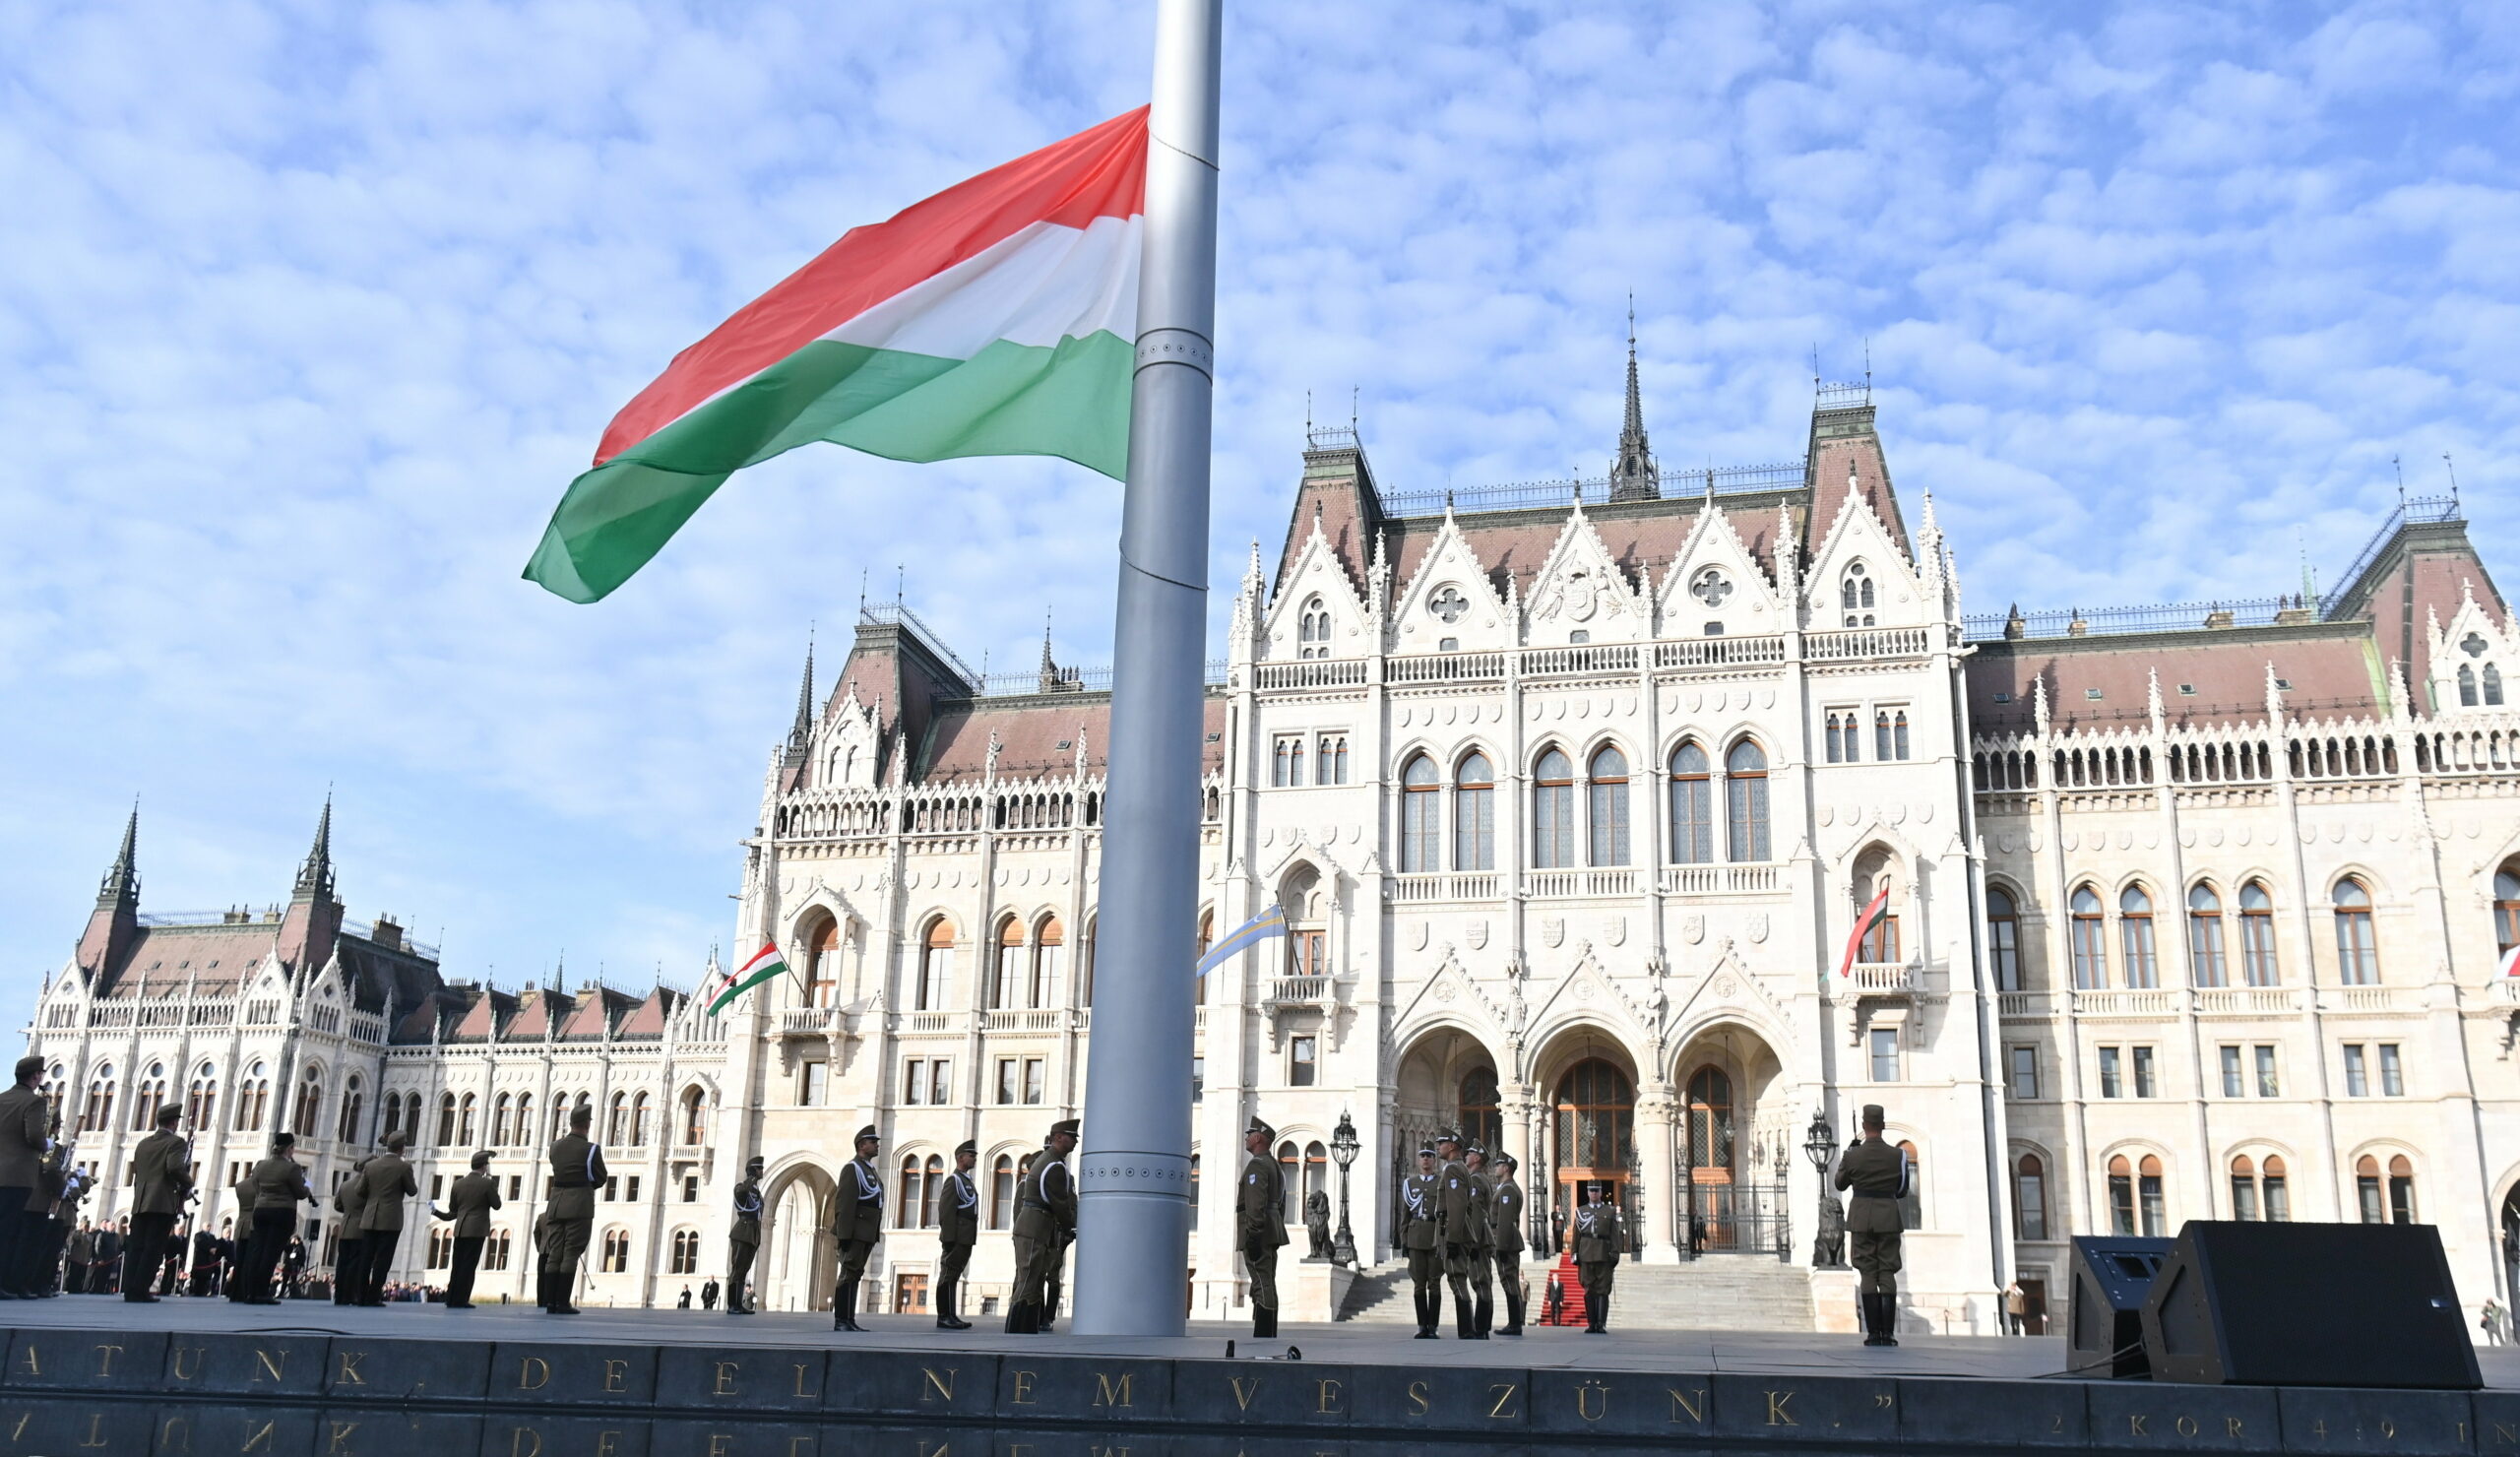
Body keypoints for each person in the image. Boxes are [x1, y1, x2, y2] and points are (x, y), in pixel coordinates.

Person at [1834, 1103, 1911, 1348]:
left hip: (1861, 1218)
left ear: (1865, 1126)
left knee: (1867, 1271)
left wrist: (1849, 1154)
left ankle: (1873, 1333)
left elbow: (1839, 1183)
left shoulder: (1853, 1155)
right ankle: (1887, 1334)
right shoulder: (1898, 1155)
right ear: (1883, 1125)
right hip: (1888, 1217)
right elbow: (1902, 1189)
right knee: (1886, 1271)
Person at [1006, 1119, 1077, 1335]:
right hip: (1035, 1226)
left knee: (1033, 1281)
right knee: (1028, 1281)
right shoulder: (1054, 1165)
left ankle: (1025, 1330)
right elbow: (1060, 1203)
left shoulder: (1049, 1161)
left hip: (1035, 1226)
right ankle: (1017, 1333)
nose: (1074, 1141)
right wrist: (1071, 1228)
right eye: (1071, 1136)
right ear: (1057, 1137)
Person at [125, 1104, 192, 1303]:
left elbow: (138, 1172)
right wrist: (188, 1182)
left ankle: (130, 1288)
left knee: (136, 1247)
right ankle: (141, 1289)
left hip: (141, 1201)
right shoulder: (176, 1143)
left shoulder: (143, 1144)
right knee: (153, 1249)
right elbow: (174, 1167)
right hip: (162, 1202)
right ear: (173, 1122)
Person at [542, 1107, 604, 1315]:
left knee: (554, 1253)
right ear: (587, 1124)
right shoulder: (591, 1149)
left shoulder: (555, 1146)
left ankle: (549, 1301)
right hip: (579, 1204)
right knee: (571, 1251)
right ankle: (562, 1302)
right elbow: (600, 1177)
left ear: (571, 1123)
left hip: (556, 1202)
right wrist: (585, 1186)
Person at [0, 1055, 51, 1300]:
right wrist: (46, 1144)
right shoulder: (34, 1103)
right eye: (41, 1074)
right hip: (17, 1176)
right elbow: (33, 1136)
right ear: (35, 1076)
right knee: (7, 1231)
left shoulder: (2, 1098)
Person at [242, 1135, 315, 1304]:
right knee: (271, 1252)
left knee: (257, 1250)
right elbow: (299, 1192)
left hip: (261, 1209)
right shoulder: (292, 1168)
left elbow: (256, 1185)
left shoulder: (261, 1165)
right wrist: (307, 1188)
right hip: (282, 1212)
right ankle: (261, 1292)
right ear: (290, 1149)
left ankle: (250, 1291)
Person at [351, 1131, 417, 1306]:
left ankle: (361, 1295)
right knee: (383, 1259)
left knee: (366, 1257)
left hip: (370, 1216)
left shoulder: (371, 1166)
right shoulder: (404, 1167)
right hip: (390, 1218)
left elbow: (360, 1191)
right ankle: (373, 1296)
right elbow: (412, 1191)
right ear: (402, 1148)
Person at [1236, 1118, 1289, 1339]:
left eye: (1250, 1133)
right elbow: (1280, 1204)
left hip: (1259, 1232)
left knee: (1261, 1281)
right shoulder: (1275, 1166)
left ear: (1258, 1138)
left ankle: (1264, 1333)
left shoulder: (1258, 1165)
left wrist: (1253, 1235)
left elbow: (1255, 1205)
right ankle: (1267, 1331)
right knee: (1266, 1280)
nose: (1247, 1137)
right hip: (1271, 1231)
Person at [433, 1150, 501, 1309]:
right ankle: (461, 1299)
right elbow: (497, 1205)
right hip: (476, 1229)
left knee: (457, 1264)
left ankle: (451, 1298)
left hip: (461, 1228)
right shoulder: (488, 1183)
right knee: (469, 1265)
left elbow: (452, 1209)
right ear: (485, 1166)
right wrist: (492, 1182)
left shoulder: (458, 1184)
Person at [833, 1126, 884, 1332]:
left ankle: (849, 1319)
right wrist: (844, 1234)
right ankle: (841, 1320)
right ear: (862, 1145)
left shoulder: (868, 1169)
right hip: (854, 1231)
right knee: (847, 1274)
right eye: (873, 1142)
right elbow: (844, 1204)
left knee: (855, 1274)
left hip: (866, 1231)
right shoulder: (852, 1168)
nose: (876, 1145)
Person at [1433, 1130, 1482, 1340]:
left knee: (1456, 1278)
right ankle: (1468, 1328)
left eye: (1442, 1143)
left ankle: (1467, 1329)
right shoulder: (1459, 1168)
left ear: (1452, 1146)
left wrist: (1452, 1238)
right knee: (1458, 1278)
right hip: (1459, 1230)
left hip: (1454, 1231)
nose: (1438, 1147)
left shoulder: (1453, 1169)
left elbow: (1457, 1205)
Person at [1399, 1142, 1443, 1340]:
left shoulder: (1441, 1183)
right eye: (1423, 1155)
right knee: (1418, 1284)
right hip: (1415, 1236)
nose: (1426, 1159)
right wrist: (1404, 1240)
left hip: (1434, 1236)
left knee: (1434, 1283)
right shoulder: (1411, 1184)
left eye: (1429, 1155)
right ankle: (1421, 1325)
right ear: (1419, 1159)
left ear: (1435, 1159)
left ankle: (1433, 1325)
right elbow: (1405, 1215)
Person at [936, 1141, 978, 1330]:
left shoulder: (966, 1180)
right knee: (947, 1275)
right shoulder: (953, 1181)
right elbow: (946, 1211)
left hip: (966, 1235)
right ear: (961, 1157)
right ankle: (944, 1316)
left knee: (954, 1276)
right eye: (971, 1155)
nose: (974, 1158)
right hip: (956, 1236)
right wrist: (949, 1238)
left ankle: (951, 1314)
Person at [1574, 1180, 1621, 1334]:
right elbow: (1576, 1235)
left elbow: (1614, 1234)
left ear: (1601, 1192)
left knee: (1602, 1289)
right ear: (1587, 1192)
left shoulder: (1610, 1211)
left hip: (1603, 1253)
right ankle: (1591, 1323)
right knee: (1589, 1289)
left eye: (1596, 1191)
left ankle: (1601, 1323)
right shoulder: (1581, 1211)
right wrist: (1574, 1253)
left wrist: (1615, 1253)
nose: (1594, 1193)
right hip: (1586, 1254)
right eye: (1591, 1190)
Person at [1489, 1152, 1527, 1337]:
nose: (1496, 1167)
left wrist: (1500, 1246)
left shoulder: (1508, 1190)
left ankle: (1515, 1323)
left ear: (1506, 1168)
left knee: (1509, 1281)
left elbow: (1504, 1220)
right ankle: (1515, 1322)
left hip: (1505, 1241)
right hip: (1505, 1239)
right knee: (1509, 1281)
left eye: (1499, 1165)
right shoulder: (1506, 1188)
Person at [1462, 1144, 1496, 1338]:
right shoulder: (1480, 1179)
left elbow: (1475, 1213)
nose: (1466, 1155)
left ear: (1476, 1159)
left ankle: (1481, 1327)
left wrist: (1472, 1242)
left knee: (1480, 1282)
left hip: (1478, 1238)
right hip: (1482, 1236)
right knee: (1483, 1282)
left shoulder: (1475, 1181)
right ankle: (1483, 1327)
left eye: (1470, 1153)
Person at [332, 1151, 373, 1305]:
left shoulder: (345, 1185)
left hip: (345, 1227)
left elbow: (338, 1206)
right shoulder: (368, 1188)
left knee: (342, 1263)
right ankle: (349, 1295)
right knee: (355, 1264)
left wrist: (349, 1212)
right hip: (360, 1228)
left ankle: (339, 1295)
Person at [726, 1155, 764, 1316]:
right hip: (742, 1231)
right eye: (759, 1168)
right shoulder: (742, 1187)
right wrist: (751, 1179)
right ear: (753, 1170)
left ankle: (738, 1304)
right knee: (737, 1270)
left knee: (744, 1270)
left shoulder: (756, 1191)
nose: (762, 1171)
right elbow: (741, 1193)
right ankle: (732, 1305)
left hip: (752, 1233)